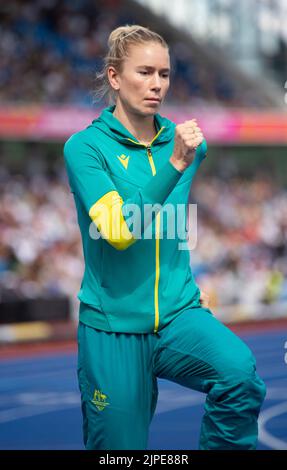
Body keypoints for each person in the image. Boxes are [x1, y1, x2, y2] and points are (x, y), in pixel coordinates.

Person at [63, 24, 266, 450]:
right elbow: (118, 231)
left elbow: (175, 221)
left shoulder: (189, 144)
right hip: (114, 328)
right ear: (115, 78)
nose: (157, 84)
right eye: (144, 72)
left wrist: (181, 283)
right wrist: (174, 164)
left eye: (165, 74)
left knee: (239, 377)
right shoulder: (85, 149)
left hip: (179, 317)